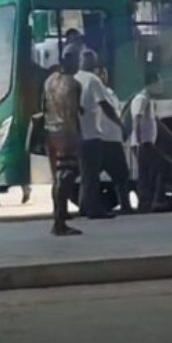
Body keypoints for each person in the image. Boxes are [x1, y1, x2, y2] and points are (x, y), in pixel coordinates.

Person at [75, 50, 121, 219]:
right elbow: (104, 105)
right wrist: (119, 123)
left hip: (77, 133)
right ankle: (93, 209)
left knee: (85, 172)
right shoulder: (93, 80)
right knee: (91, 175)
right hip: (92, 133)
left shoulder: (75, 79)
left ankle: (83, 206)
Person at [43, 47, 84, 236]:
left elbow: (44, 105)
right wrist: (79, 137)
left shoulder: (49, 81)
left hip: (50, 131)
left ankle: (59, 215)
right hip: (67, 133)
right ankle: (59, 222)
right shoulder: (74, 84)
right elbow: (73, 113)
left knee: (57, 176)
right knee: (67, 175)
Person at [96, 62, 134, 214]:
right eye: (99, 74)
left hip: (114, 139)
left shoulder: (110, 93)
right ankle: (87, 205)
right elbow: (109, 112)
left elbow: (117, 112)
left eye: (104, 73)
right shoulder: (96, 93)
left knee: (121, 175)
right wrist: (121, 126)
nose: (103, 76)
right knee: (91, 177)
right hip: (102, 139)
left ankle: (125, 205)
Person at [131, 70, 166, 213]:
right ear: (153, 83)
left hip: (147, 142)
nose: (161, 86)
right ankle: (152, 201)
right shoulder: (142, 99)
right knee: (155, 169)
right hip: (144, 143)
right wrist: (139, 141)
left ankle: (147, 202)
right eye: (159, 82)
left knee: (148, 173)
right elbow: (137, 119)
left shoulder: (148, 99)